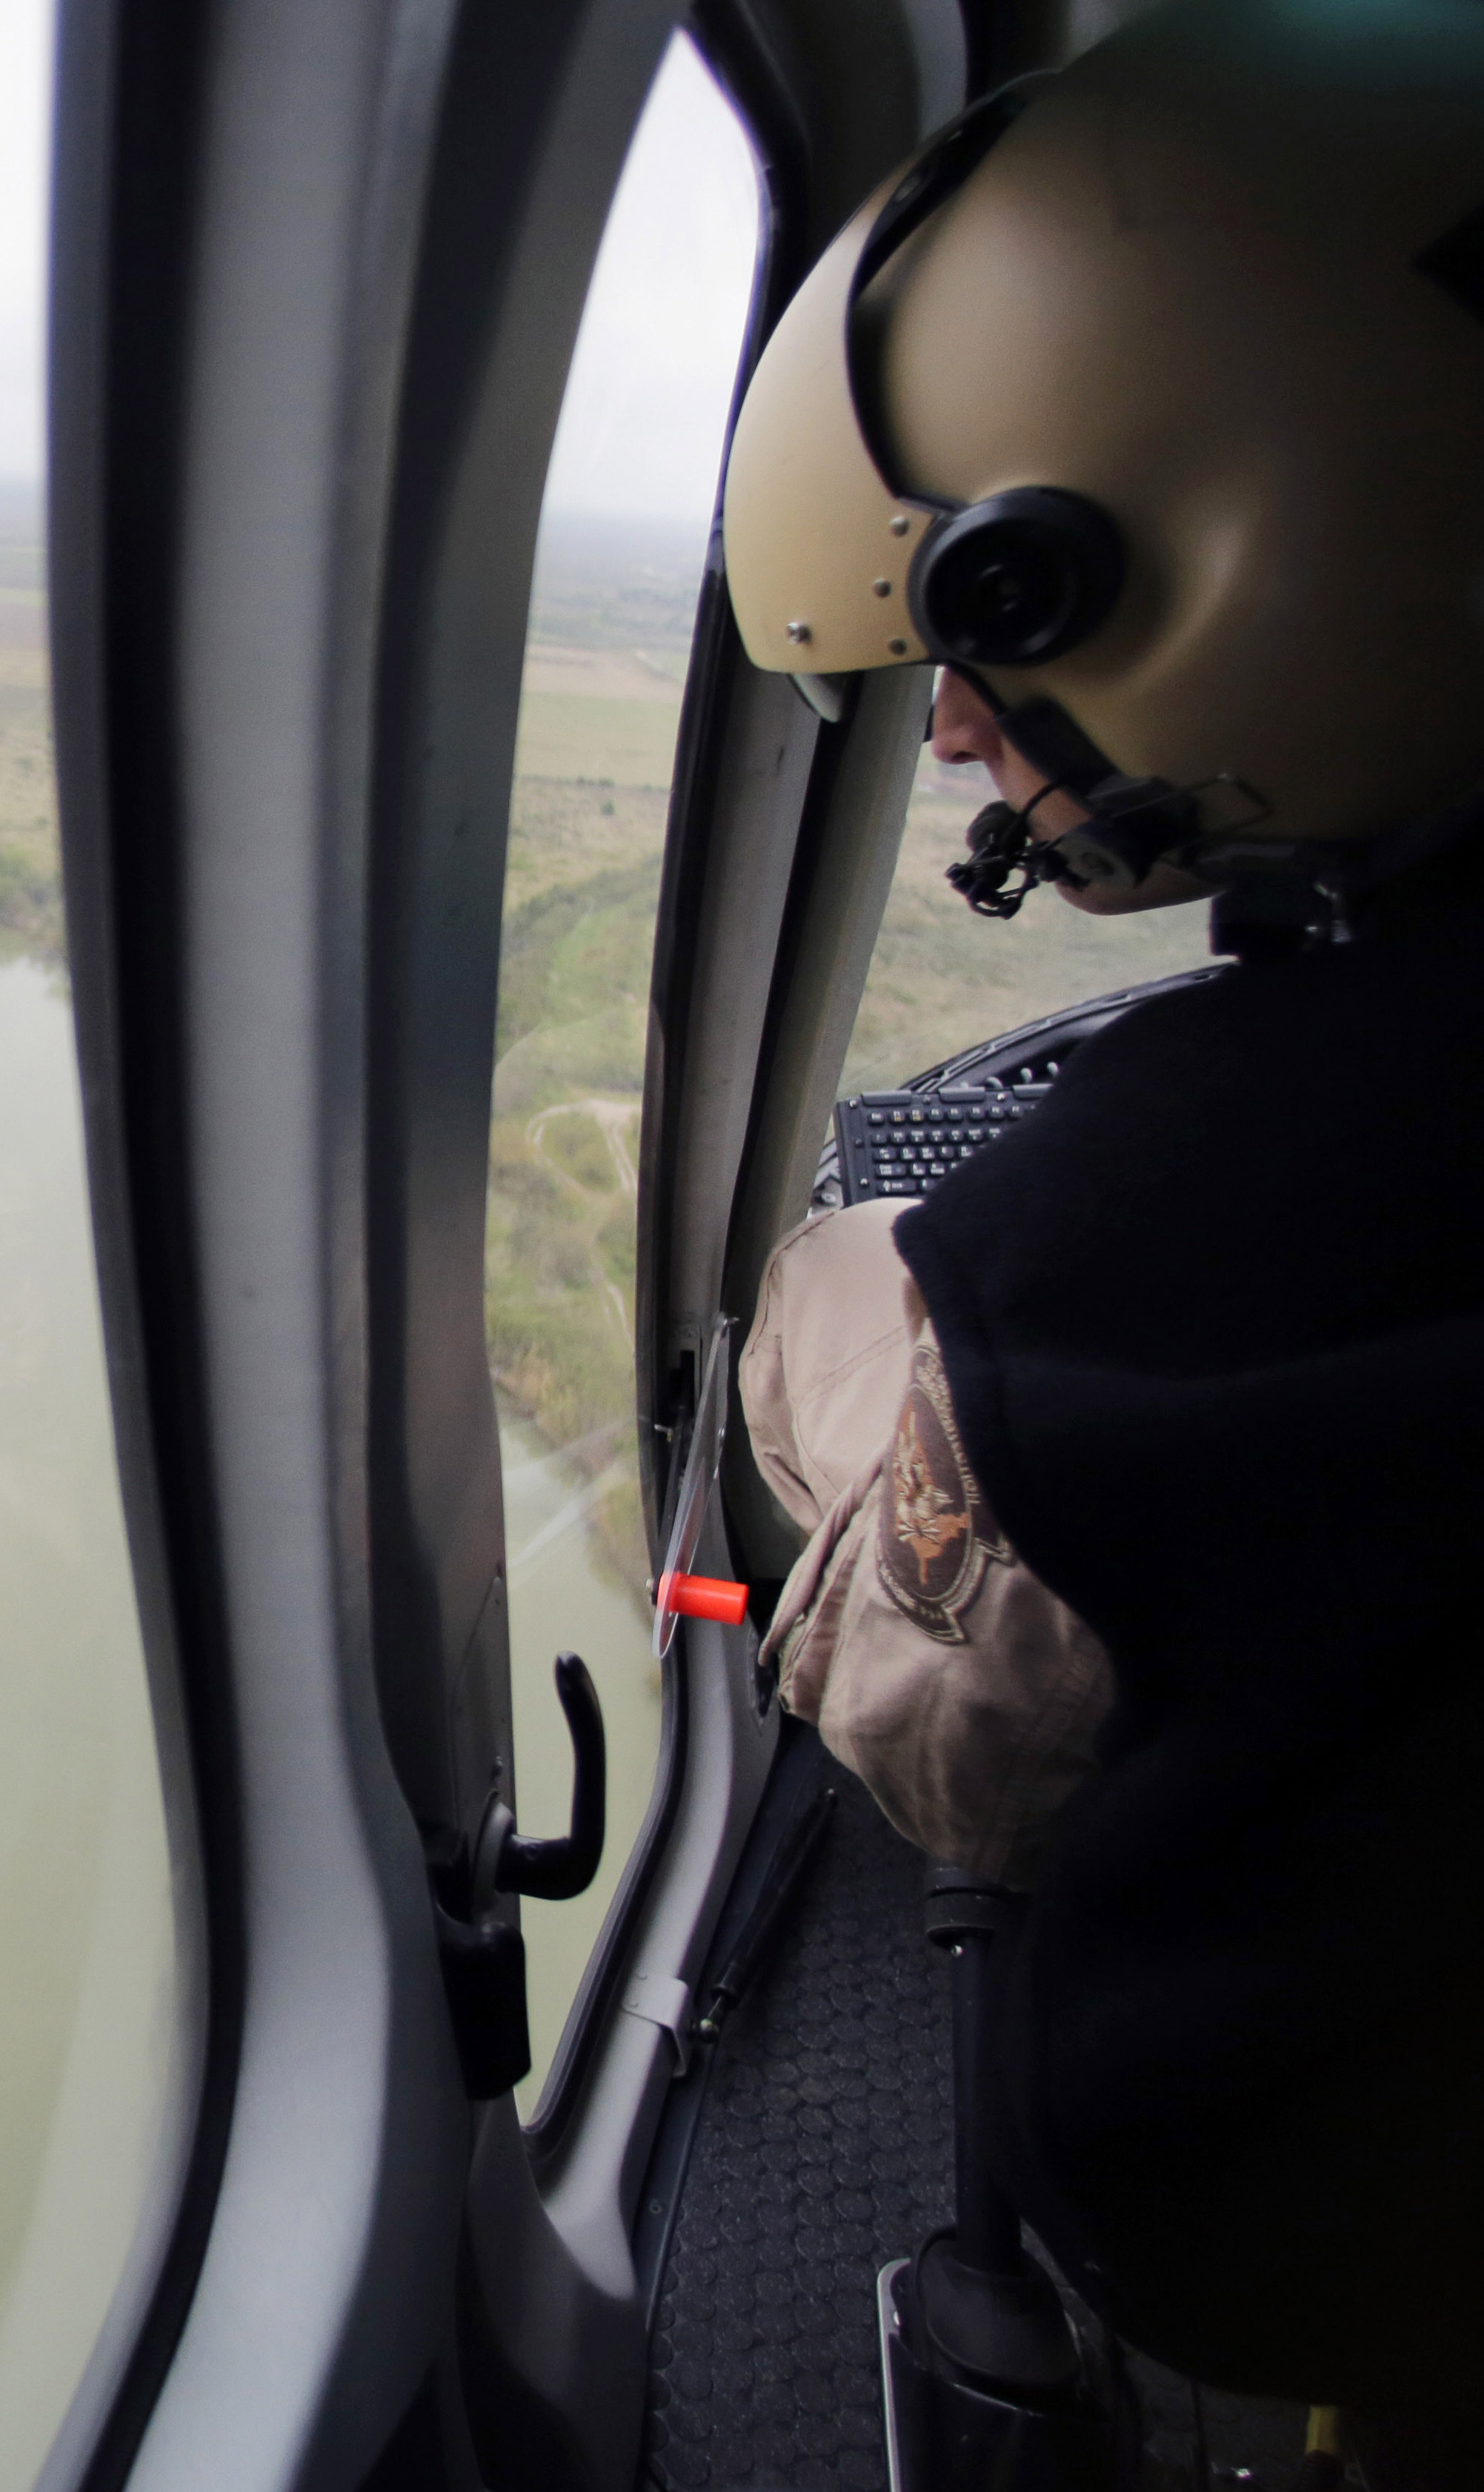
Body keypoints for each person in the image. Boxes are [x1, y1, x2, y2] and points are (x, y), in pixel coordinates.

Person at [713, 0, 1484, 2449]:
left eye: (983, 630)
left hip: (1324, 2283)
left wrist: (853, 1307)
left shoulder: (1208, 1214)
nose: (950, 731)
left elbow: (942, 1729)